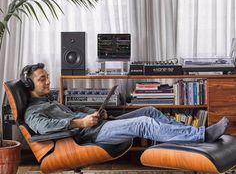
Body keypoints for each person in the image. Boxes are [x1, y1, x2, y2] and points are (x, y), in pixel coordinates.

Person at [20, 63, 229, 147]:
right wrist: (80, 123)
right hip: (89, 135)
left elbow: (76, 110)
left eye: (47, 77)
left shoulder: (50, 100)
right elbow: (44, 128)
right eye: (42, 79)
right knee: (143, 123)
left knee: (149, 110)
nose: (48, 82)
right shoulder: (33, 111)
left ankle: (195, 132)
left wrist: (92, 113)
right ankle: (202, 136)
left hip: (98, 124)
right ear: (29, 84)